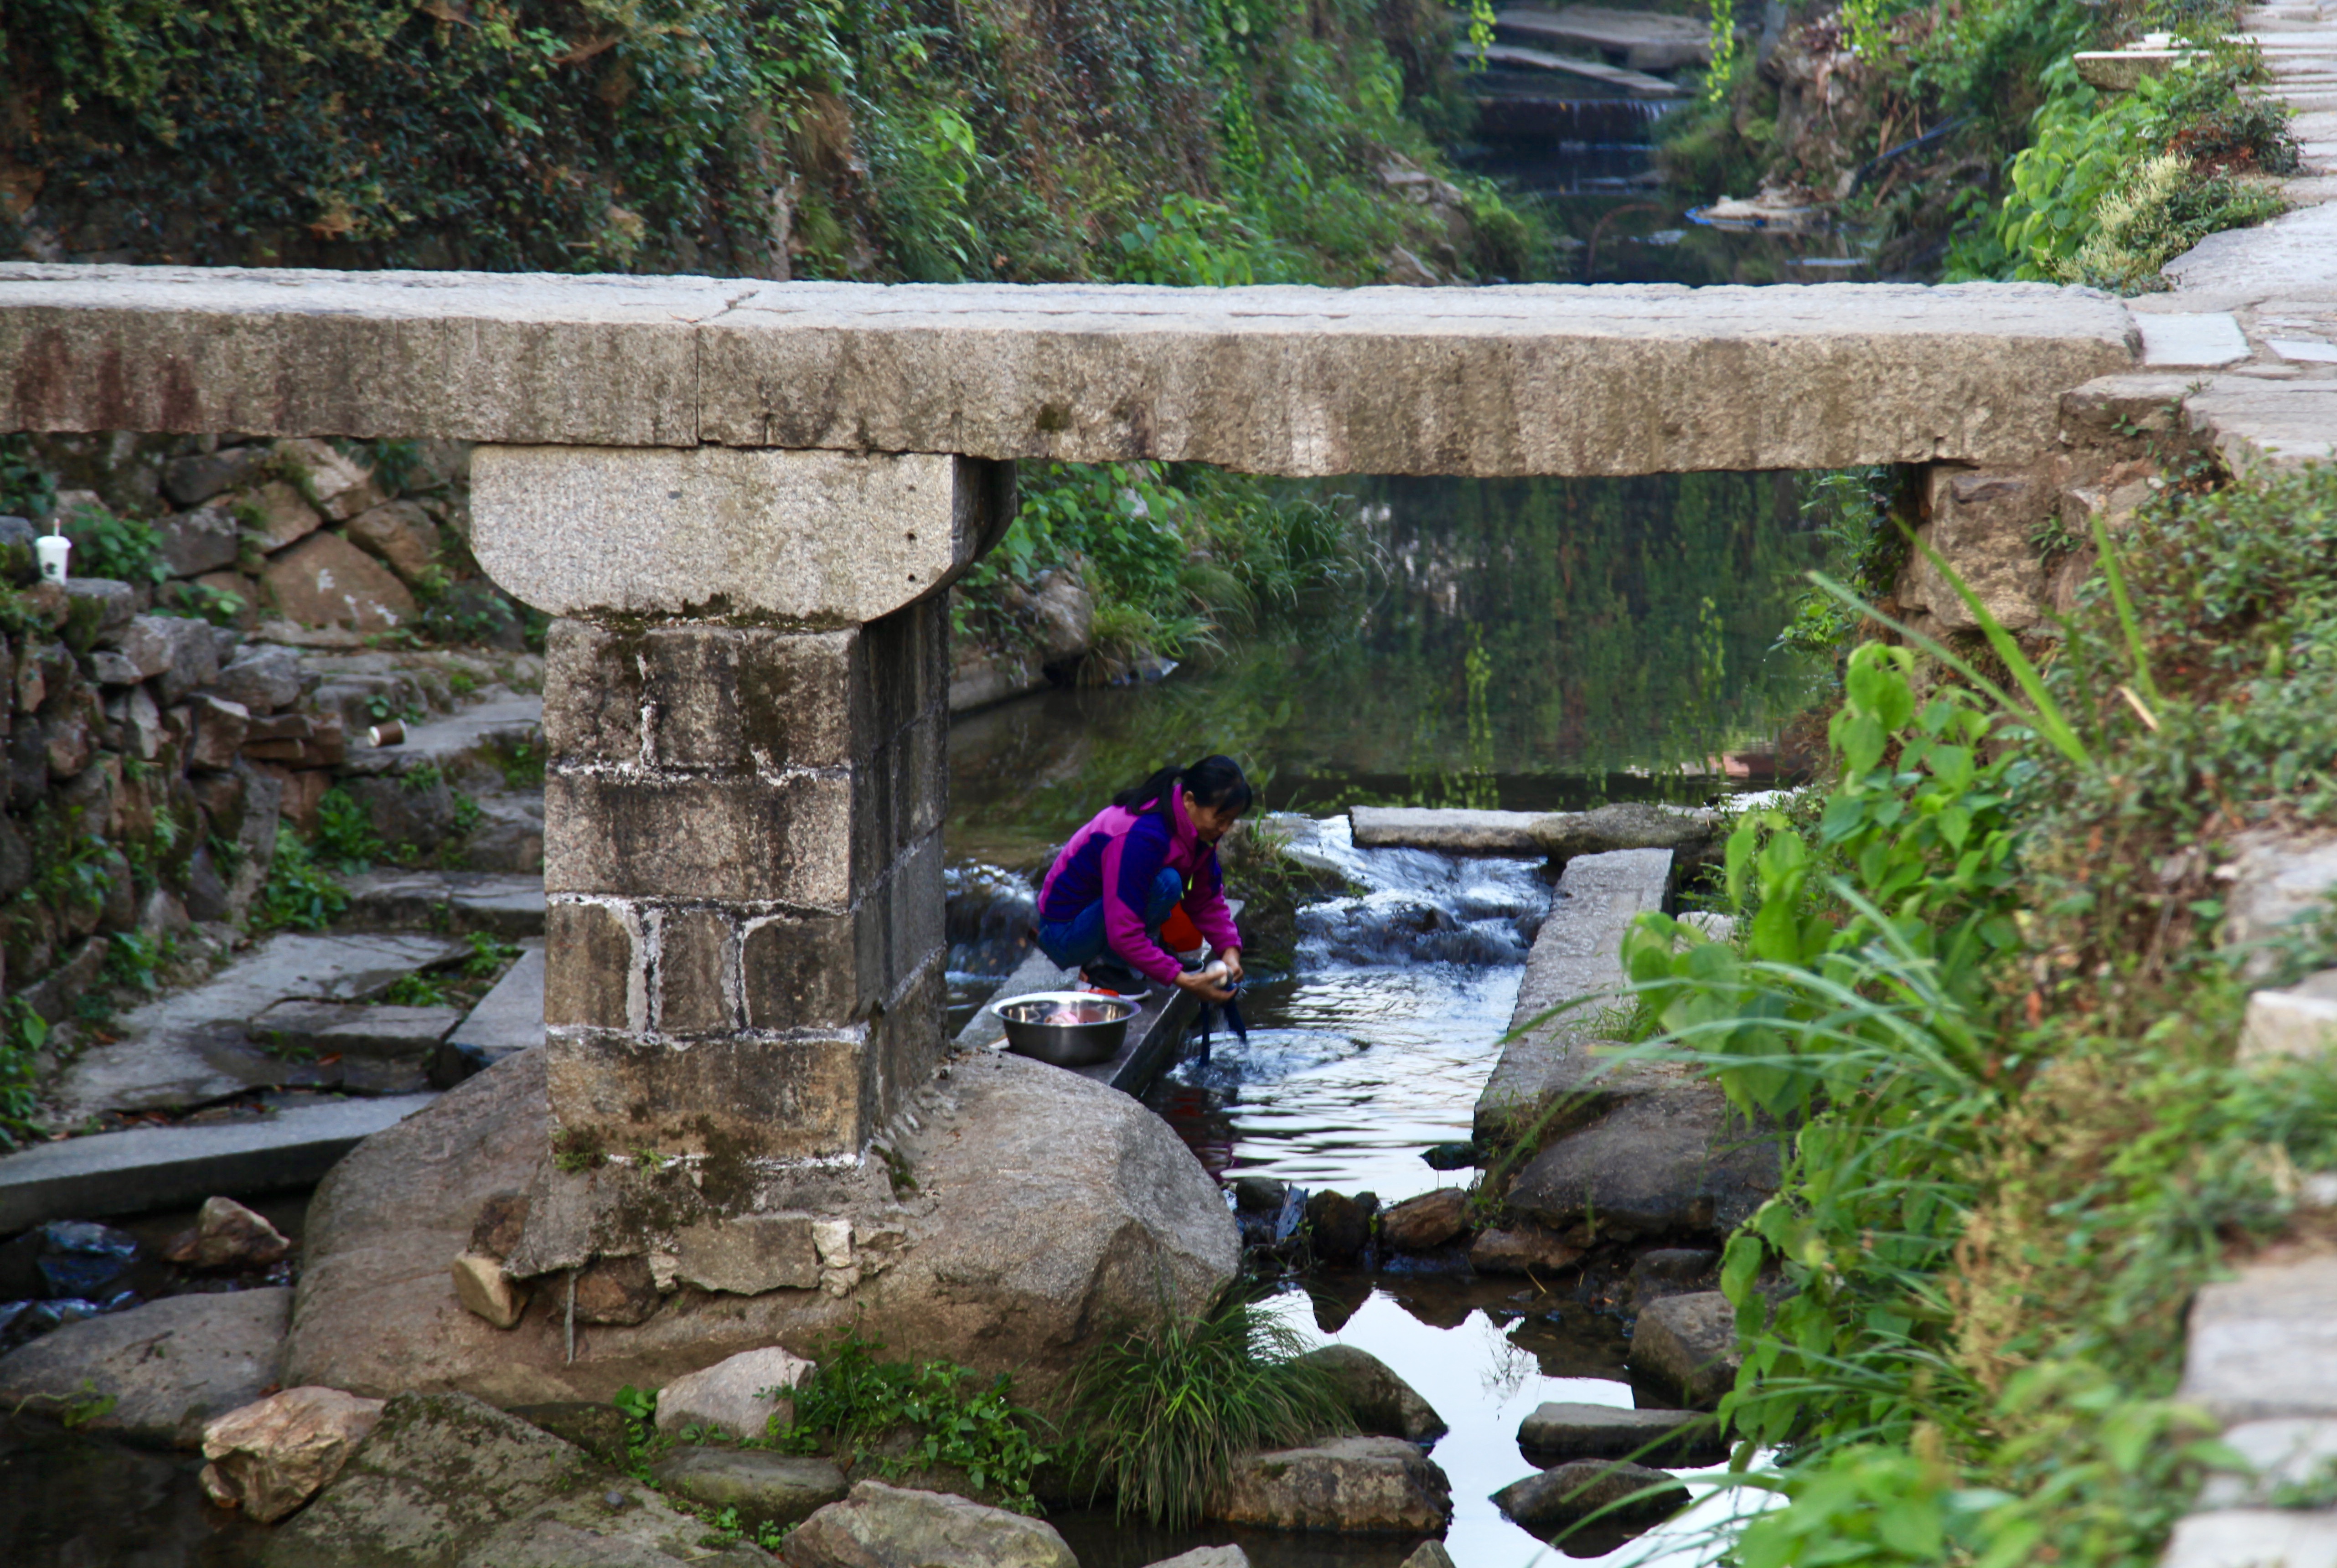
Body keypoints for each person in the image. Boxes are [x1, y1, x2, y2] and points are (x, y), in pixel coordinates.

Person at [1034, 754, 1250, 1004]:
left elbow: (1206, 899)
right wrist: (1182, 979)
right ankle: (1102, 970)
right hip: (1064, 933)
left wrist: (1230, 952)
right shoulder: (1140, 837)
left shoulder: (1195, 830)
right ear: (1189, 800)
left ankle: (1131, 958)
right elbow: (1123, 931)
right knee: (1166, 884)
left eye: (1230, 822)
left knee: (1167, 882)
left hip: (1098, 917)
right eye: (1220, 820)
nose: (1223, 829)